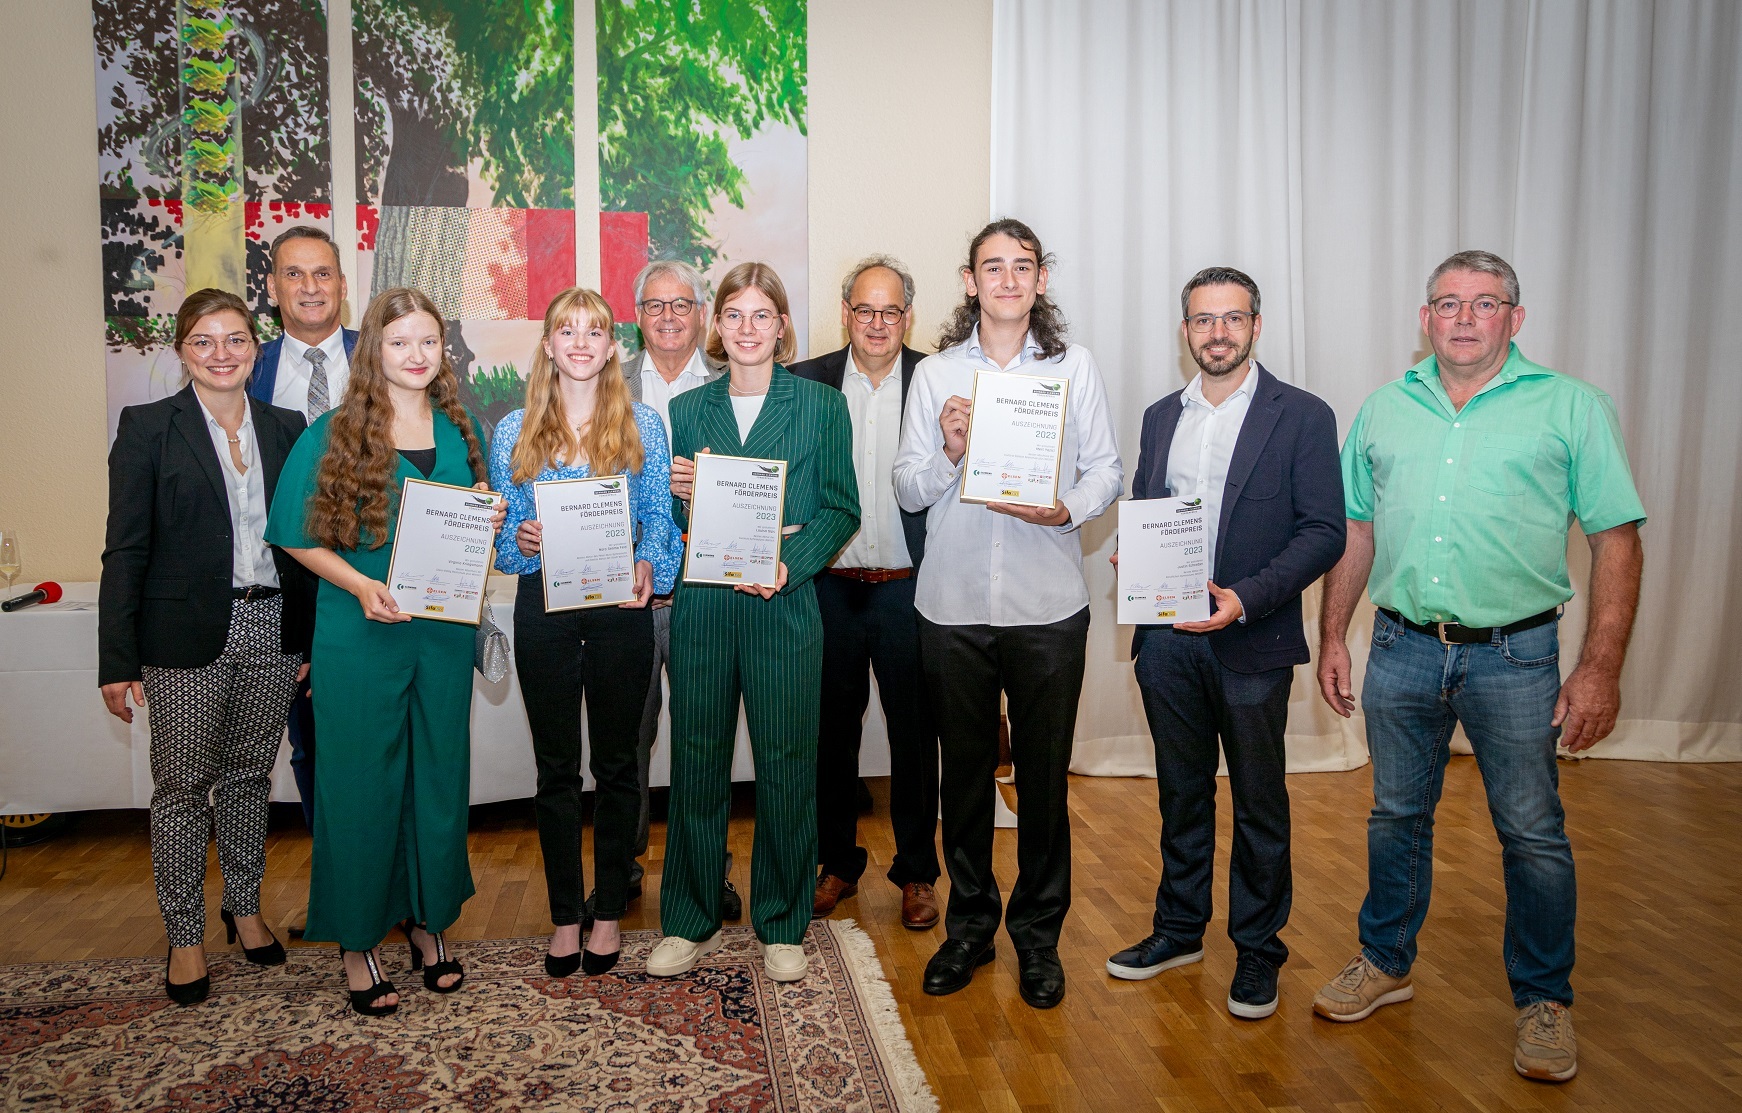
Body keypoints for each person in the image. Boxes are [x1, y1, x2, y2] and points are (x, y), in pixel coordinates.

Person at [1313, 251, 1645, 1082]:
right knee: (1396, 816)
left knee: (1532, 833)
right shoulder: (1385, 409)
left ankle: (1543, 1000)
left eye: (1485, 303)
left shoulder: (1572, 407)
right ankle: (1385, 962)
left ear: (1515, 319)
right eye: (1448, 303)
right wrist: (1332, 636)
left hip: (1518, 655)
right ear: (1424, 318)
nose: (1464, 318)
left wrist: (1599, 667)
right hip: (1400, 648)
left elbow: (1617, 540)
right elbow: (1356, 531)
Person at [893, 219, 1123, 1008]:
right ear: (969, 281)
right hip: (952, 604)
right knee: (962, 779)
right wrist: (951, 448)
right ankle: (969, 930)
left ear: (1041, 279)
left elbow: (1106, 471)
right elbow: (906, 487)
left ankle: (1037, 938)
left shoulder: (1074, 368)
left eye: (1022, 266)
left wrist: (1066, 510)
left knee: (1043, 783)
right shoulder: (933, 378)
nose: (1007, 279)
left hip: (1047, 602)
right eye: (993, 267)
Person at [1105, 267, 1345, 1019]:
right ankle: (1179, 930)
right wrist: (1131, 551)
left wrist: (1245, 598)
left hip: (1251, 637)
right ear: (1185, 331)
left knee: (1258, 801)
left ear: (1256, 326)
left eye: (1232, 318)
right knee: (1181, 794)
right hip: (1169, 640)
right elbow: (1150, 507)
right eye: (1203, 320)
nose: (1218, 332)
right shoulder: (1158, 416)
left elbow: (1324, 532)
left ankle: (1258, 952)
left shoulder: (1301, 415)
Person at [266, 286, 505, 1016]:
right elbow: (293, 533)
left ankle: (429, 925)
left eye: (427, 341)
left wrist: (487, 513)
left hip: (441, 633)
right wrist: (360, 585)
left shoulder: (464, 432)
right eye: (399, 341)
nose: (415, 355)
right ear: (375, 349)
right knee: (361, 786)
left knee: (436, 779)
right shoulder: (334, 434)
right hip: (362, 630)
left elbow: (472, 526)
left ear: (443, 351)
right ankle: (359, 940)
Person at [98, 288, 315, 1004]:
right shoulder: (148, 427)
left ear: (257, 349)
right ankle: (185, 933)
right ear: (183, 351)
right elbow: (125, 550)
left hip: (273, 624)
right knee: (184, 786)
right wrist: (117, 660)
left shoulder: (287, 427)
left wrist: (309, 636)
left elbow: (309, 540)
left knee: (252, 776)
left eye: (236, 340)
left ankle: (244, 907)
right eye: (205, 341)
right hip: (183, 634)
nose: (222, 354)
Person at [646, 263, 859, 983]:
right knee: (696, 764)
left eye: (760, 315)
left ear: (782, 326)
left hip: (784, 605)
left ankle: (781, 921)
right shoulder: (689, 410)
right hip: (704, 608)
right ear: (718, 328)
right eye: (733, 315)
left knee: (787, 766)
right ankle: (690, 917)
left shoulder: (822, 406)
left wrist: (788, 562)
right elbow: (684, 520)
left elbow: (839, 508)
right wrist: (680, 494)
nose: (746, 328)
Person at [489, 287, 682, 977]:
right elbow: (505, 547)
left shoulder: (643, 425)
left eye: (593, 330)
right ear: (547, 344)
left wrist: (647, 564)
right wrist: (525, 536)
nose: (579, 341)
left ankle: (607, 914)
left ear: (610, 346)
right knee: (556, 770)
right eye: (565, 329)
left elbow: (660, 519)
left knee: (619, 765)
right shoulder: (513, 430)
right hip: (544, 610)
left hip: (620, 615)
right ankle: (565, 916)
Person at [790, 255, 941, 930]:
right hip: (830, 588)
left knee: (915, 738)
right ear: (844, 311)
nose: (876, 323)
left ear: (908, 317)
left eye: (890, 311)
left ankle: (916, 871)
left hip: (912, 589)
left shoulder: (938, 381)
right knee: (830, 737)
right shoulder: (806, 384)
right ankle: (836, 864)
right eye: (864, 309)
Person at [612, 260, 740, 925]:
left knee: (703, 739)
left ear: (701, 313)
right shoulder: (603, 386)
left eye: (681, 304)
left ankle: (704, 868)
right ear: (637, 314)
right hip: (626, 598)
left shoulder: (728, 388)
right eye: (655, 304)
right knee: (626, 739)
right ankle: (622, 864)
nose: (668, 316)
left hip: (702, 596)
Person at [249, 225, 358, 937]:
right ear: (273, 287)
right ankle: (341, 891)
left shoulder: (382, 359)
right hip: (285, 592)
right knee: (313, 747)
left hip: (373, 585)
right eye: (295, 274)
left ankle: (397, 888)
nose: (311, 287)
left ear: (342, 284)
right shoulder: (245, 369)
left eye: (323, 273)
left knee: (383, 740)